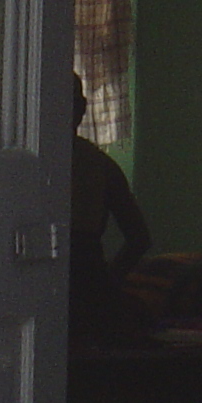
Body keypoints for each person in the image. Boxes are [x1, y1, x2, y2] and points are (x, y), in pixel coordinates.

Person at [70, 76, 152, 350]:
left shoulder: (21, 163)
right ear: (81, 108)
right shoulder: (101, 165)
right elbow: (139, 238)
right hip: (87, 280)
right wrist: (107, 283)